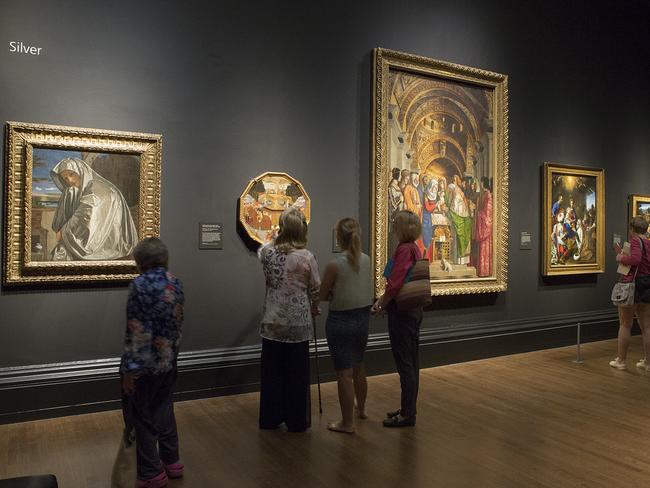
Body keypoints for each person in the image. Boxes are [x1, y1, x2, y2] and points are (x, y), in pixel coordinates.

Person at [120, 237, 185, 488]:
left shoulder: (139, 285)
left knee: (142, 416)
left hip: (145, 365)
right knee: (164, 408)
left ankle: (150, 472)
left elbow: (136, 331)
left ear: (140, 262)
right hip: (169, 360)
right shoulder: (175, 283)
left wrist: (129, 371)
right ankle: (172, 461)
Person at [258, 208, 320, 432]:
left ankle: (270, 417)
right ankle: (296, 420)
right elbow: (315, 288)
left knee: (272, 373)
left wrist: (276, 237)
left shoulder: (267, 253)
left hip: (272, 320)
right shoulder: (306, 257)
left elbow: (263, 249)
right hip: (297, 323)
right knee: (296, 374)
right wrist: (315, 305)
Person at [319, 218, 373, 434]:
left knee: (344, 373)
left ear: (339, 237)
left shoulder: (335, 264)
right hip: (362, 318)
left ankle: (347, 423)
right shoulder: (367, 259)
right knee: (359, 366)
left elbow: (322, 294)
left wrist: (328, 294)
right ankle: (362, 410)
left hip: (341, 321)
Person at [371, 210, 424, 427]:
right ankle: (407, 408)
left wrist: (381, 303)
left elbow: (395, 283)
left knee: (405, 364)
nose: (393, 226)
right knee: (411, 362)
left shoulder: (404, 249)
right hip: (413, 311)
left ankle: (408, 414)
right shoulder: (414, 248)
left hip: (403, 313)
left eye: (396, 223)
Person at [50, 157, 138, 261]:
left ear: (81, 171)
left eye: (71, 174)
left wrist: (63, 232)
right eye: (65, 178)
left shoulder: (97, 188)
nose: (69, 180)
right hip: (97, 238)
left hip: (110, 244)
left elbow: (86, 214)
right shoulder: (80, 190)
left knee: (62, 253)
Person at [609, 217, 650, 370]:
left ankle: (621, 361)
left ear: (632, 229)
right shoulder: (648, 242)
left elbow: (635, 259)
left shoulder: (635, 241)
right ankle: (648, 362)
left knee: (625, 324)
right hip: (647, 283)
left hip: (633, 284)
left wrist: (620, 257)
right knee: (647, 326)